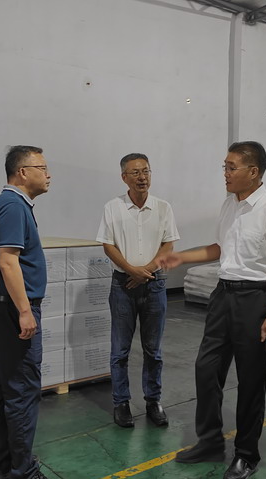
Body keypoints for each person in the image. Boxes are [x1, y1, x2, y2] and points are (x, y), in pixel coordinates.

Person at [158, 141, 266, 479]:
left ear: (254, 171)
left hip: (255, 300)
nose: (225, 173)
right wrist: (181, 257)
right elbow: (219, 248)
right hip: (223, 297)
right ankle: (209, 442)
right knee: (206, 369)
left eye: (231, 167)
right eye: (225, 167)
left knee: (251, 381)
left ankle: (247, 454)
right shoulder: (229, 204)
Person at [0, 145, 63, 479]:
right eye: (42, 167)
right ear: (22, 172)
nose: (48, 174)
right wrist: (25, 311)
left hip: (4, 310)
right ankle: (24, 476)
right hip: (14, 311)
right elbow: (8, 262)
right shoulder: (13, 206)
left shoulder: (10, 205)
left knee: (5, 389)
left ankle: (7, 464)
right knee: (22, 392)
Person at [96, 153, 180, 428]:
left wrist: (145, 272)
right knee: (120, 350)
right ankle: (121, 403)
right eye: (135, 173)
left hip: (154, 285)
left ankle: (153, 401)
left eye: (146, 171)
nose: (142, 177)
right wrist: (131, 271)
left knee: (153, 350)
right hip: (123, 286)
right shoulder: (112, 207)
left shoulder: (163, 207)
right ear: (124, 177)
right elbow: (108, 245)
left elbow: (168, 244)